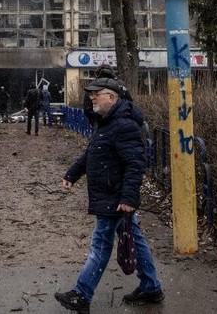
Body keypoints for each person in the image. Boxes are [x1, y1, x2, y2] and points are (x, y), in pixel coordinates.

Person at [55, 77, 164, 314]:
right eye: (91, 94)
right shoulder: (106, 123)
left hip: (114, 198)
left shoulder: (123, 125)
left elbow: (136, 164)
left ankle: (82, 295)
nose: (92, 97)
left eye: (97, 94)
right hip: (111, 195)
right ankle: (151, 286)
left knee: (100, 245)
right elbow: (91, 154)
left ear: (112, 98)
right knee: (134, 239)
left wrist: (127, 199)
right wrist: (72, 174)